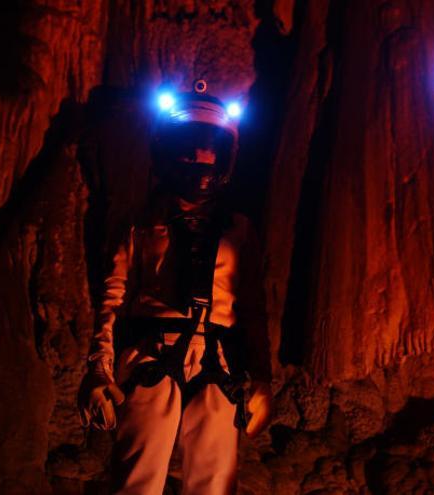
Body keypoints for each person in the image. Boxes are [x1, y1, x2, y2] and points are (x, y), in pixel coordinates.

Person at [78, 81, 273, 495]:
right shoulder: (139, 223)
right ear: (168, 154)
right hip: (153, 354)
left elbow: (253, 309)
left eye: (210, 149)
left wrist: (261, 378)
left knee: (214, 484)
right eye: (189, 148)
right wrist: (99, 367)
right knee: (137, 481)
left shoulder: (238, 230)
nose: (201, 157)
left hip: (219, 362)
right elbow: (112, 300)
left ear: (224, 157)